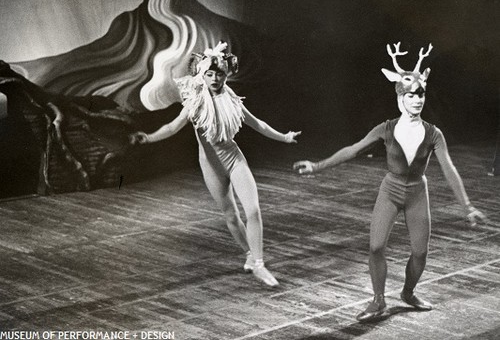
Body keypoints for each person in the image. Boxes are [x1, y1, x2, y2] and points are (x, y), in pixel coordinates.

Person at [293, 42, 487, 321]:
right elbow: (354, 149)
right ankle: (378, 300)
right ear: (400, 97)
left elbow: (449, 169)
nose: (418, 99)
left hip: (417, 192)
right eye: (411, 95)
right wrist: (317, 166)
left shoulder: (434, 134)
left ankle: (408, 292)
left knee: (420, 253)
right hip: (391, 190)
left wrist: (467, 207)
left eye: (421, 94)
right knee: (375, 247)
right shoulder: (386, 128)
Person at [130, 41, 301, 287]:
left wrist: (284, 137)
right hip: (210, 165)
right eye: (209, 74)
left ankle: (260, 264)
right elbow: (172, 127)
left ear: (226, 75)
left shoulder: (232, 99)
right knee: (231, 215)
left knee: (252, 211)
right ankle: (250, 255)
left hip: (234, 159)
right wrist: (148, 138)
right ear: (202, 75)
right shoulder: (195, 102)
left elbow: (258, 124)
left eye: (219, 74)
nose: (214, 78)